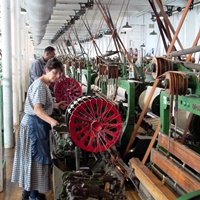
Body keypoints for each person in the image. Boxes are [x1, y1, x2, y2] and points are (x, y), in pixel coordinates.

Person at [11, 58, 68, 200]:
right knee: (35, 160)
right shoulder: (40, 86)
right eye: (55, 73)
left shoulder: (44, 84)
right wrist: (52, 121)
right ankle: (33, 196)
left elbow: (40, 104)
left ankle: (29, 192)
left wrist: (55, 105)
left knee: (31, 160)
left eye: (60, 73)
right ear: (47, 70)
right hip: (33, 126)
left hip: (34, 124)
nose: (57, 76)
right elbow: (37, 110)